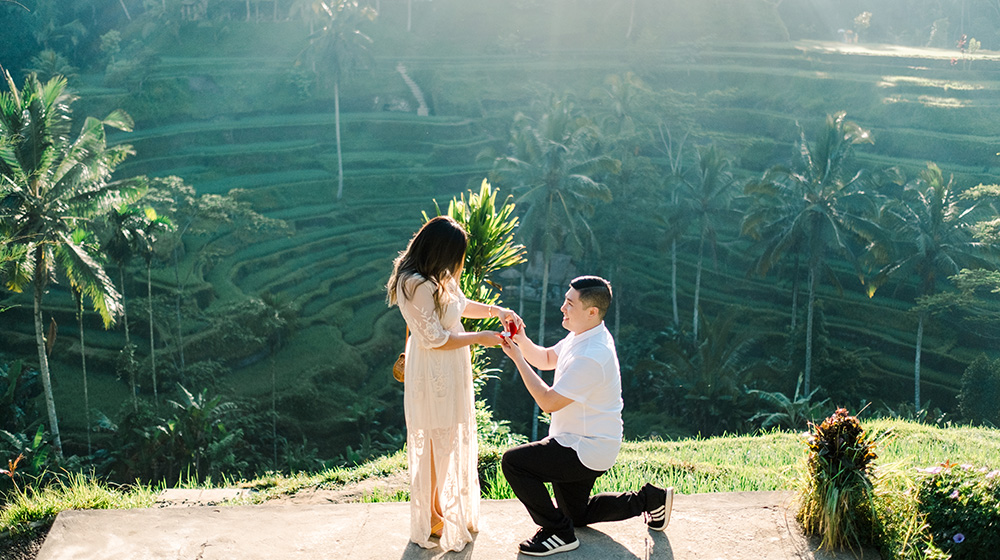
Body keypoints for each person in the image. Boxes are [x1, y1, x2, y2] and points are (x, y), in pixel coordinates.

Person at [498, 275, 674, 556]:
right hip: (579, 441)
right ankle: (649, 499)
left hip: (585, 448)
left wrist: (518, 359)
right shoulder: (582, 336)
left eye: (569, 303)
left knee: (515, 463)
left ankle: (558, 533)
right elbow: (544, 358)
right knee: (577, 515)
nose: (562, 308)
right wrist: (521, 339)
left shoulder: (593, 354)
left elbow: (548, 402)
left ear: (592, 312)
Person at [386, 215, 519, 552]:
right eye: (457, 255)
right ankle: (431, 514)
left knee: (444, 437)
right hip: (433, 369)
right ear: (441, 251)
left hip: (450, 365)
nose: (459, 264)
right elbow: (435, 338)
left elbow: (458, 306)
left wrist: (496, 310)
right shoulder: (415, 284)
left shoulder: (437, 275)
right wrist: (483, 338)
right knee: (434, 440)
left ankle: (438, 509)